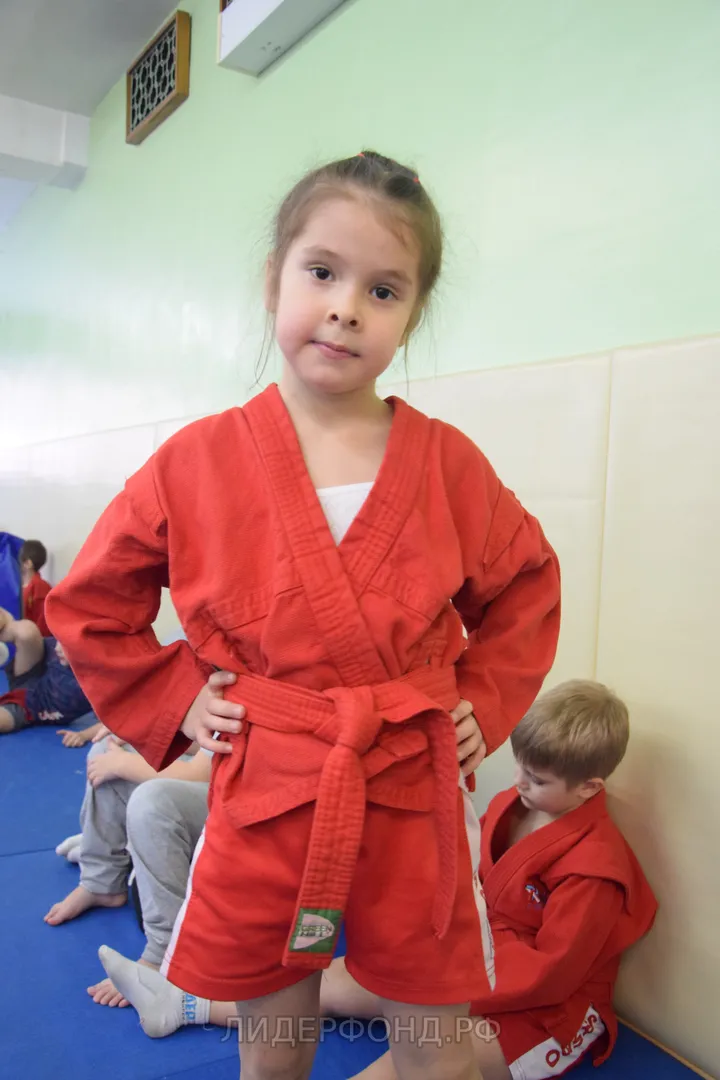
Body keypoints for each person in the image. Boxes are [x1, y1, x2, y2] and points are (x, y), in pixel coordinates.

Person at [47, 150, 561, 1080]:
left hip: (411, 786)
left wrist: (483, 701)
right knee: (275, 1050)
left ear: (412, 315)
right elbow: (89, 603)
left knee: (438, 1053)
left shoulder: (448, 465)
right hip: (270, 785)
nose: (346, 307)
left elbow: (526, 584)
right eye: (321, 271)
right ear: (273, 278)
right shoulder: (195, 462)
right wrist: (176, 700)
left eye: (384, 289)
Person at [84, 706, 485, 1013]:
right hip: (256, 779)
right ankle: (100, 879)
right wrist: (153, 726)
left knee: (147, 798)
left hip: (290, 798)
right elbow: (208, 742)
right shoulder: (234, 659)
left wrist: (126, 763)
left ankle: (167, 965)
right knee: (112, 755)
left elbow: (206, 769)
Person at [45, 735, 213, 927]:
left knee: (152, 801)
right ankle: (101, 881)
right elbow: (206, 746)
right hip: (212, 779)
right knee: (107, 749)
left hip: (227, 806)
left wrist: (123, 764)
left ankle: (166, 941)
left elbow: (201, 773)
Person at [0, 606, 92, 734]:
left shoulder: (96, 681)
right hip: (32, 668)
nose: (57, 648)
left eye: (65, 645)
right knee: (26, 630)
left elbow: (114, 720)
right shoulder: (61, 645)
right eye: (59, 641)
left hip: (33, 706)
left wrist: (84, 735)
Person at [20, 539, 51, 635]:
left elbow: (43, 624)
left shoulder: (40, 587)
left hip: (31, 639)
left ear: (28, 563)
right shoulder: (17, 586)